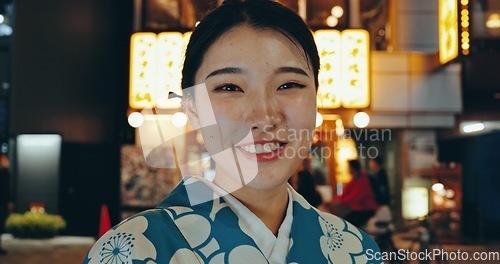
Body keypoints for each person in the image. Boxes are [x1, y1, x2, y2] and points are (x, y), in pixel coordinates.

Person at [83, 1, 380, 263]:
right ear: (193, 110)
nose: (264, 117)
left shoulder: (355, 250)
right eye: (229, 87)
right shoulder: (131, 251)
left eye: (289, 85)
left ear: (316, 100)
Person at [337, 159, 378, 228]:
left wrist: (340, 201)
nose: (347, 169)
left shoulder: (362, 179)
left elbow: (356, 197)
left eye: (349, 167)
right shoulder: (354, 180)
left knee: (347, 225)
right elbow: (345, 193)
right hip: (359, 210)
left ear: (353, 168)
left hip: (366, 210)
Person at [0, 154, 11, 255]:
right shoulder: (3, 174)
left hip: (3, 203)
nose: (6, 161)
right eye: (4, 159)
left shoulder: (5, 173)